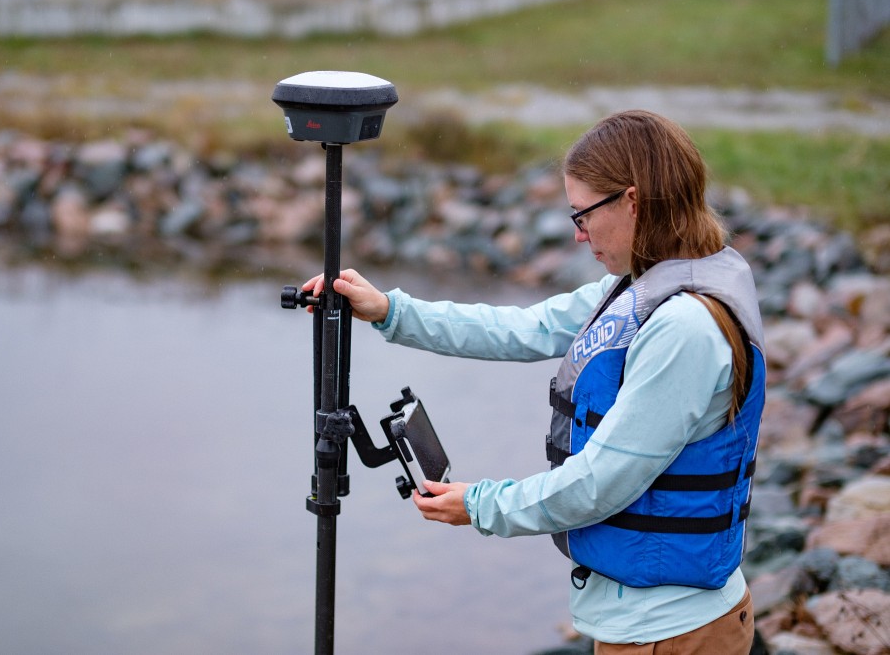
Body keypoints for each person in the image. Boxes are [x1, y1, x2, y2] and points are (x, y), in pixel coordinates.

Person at [302, 110, 765, 654]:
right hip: (647, 623)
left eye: (583, 213)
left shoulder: (684, 328)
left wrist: (480, 505)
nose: (577, 234)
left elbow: (602, 482)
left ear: (632, 201)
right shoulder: (641, 286)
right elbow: (524, 327)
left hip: (674, 632)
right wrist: (390, 311)